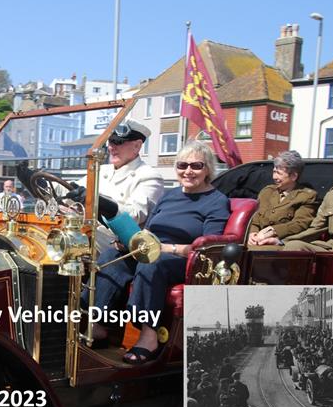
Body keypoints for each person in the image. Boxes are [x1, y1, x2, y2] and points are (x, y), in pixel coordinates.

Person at [86, 140, 230, 364]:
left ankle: (149, 336)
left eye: (196, 166)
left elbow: (207, 248)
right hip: (151, 249)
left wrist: (165, 248)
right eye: (182, 165)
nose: (188, 171)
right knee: (111, 257)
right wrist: (129, 240)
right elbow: (149, 229)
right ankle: (99, 326)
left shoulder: (217, 201)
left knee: (152, 262)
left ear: (208, 169)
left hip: (185, 259)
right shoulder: (170, 196)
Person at [66, 119, 164, 249]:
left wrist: (103, 204)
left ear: (137, 146)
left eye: (118, 142)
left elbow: (135, 215)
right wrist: (36, 179)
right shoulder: (101, 170)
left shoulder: (149, 176)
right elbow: (69, 188)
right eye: (110, 141)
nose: (111, 147)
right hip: (88, 234)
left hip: (118, 246)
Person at [246, 150, 317, 247]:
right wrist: (252, 233)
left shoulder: (306, 196)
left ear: (293, 176)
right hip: (257, 242)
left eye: (279, 173)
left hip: (281, 246)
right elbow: (255, 219)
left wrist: (273, 231)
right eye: (274, 172)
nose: (274, 177)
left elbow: (300, 224)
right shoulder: (267, 192)